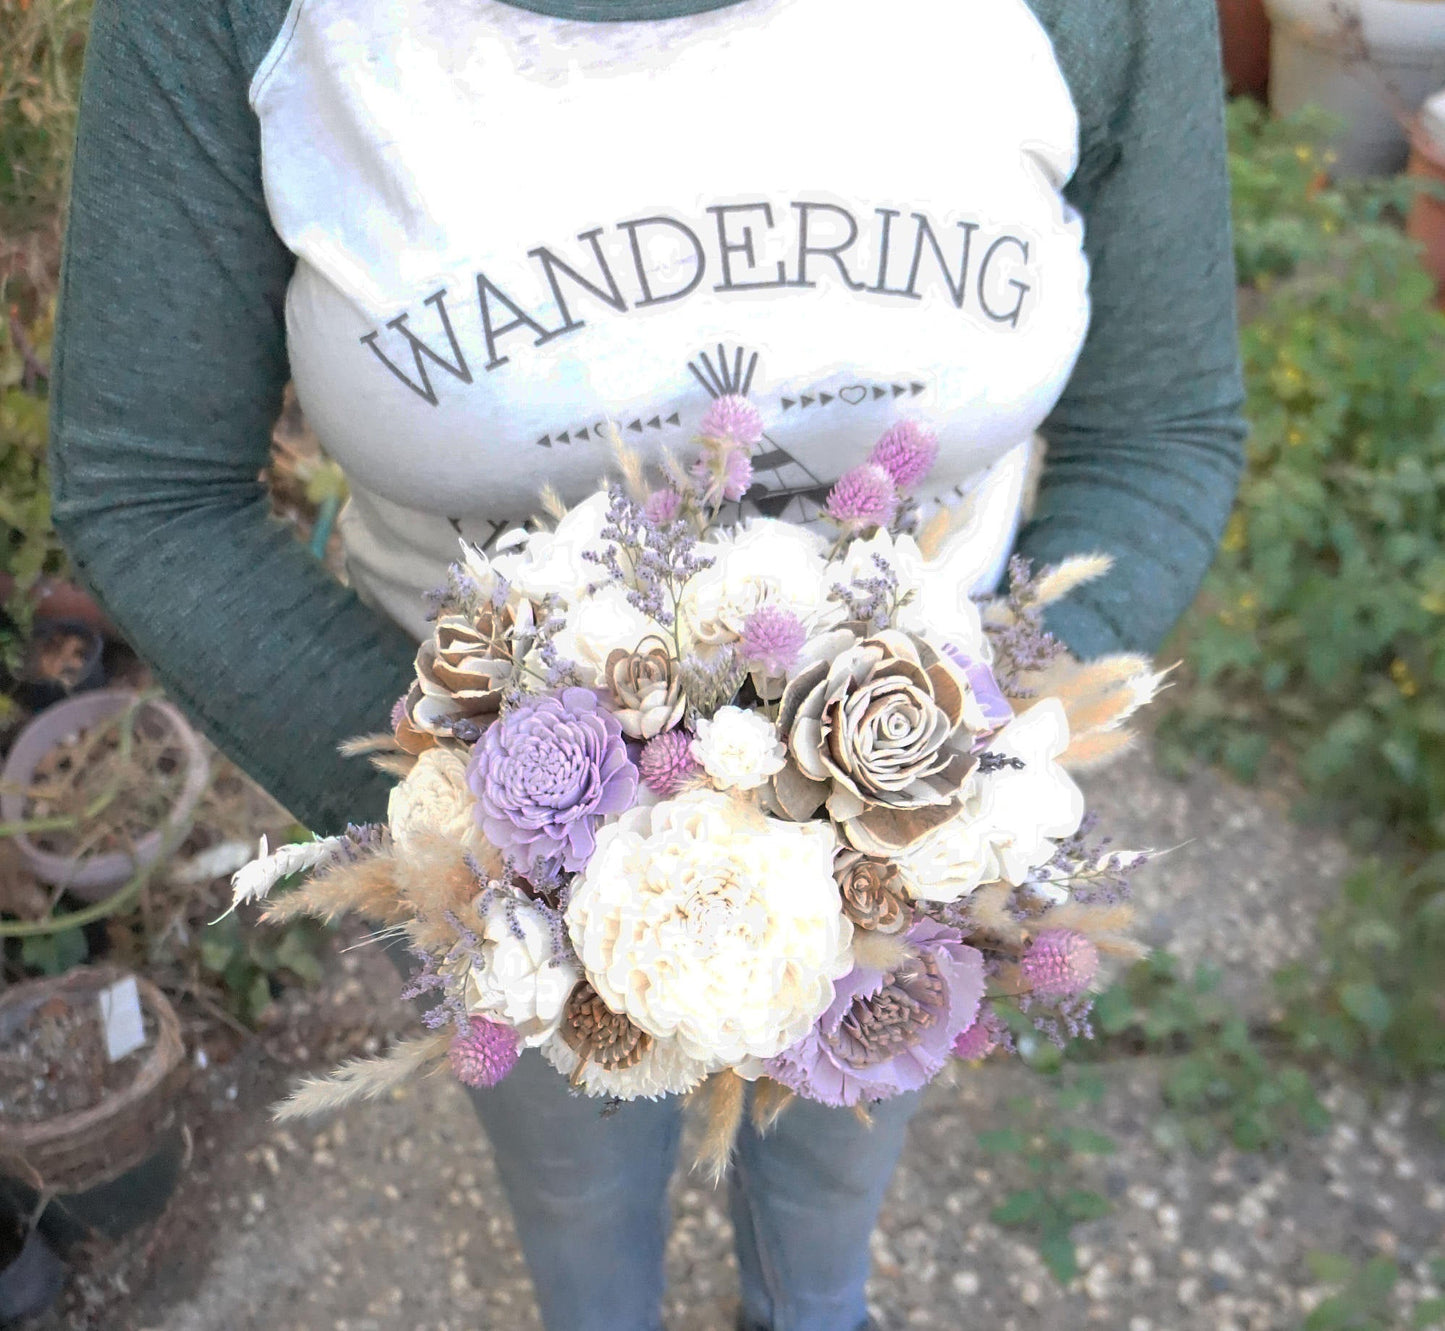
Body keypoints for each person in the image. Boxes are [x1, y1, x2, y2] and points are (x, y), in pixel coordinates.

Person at [48, 1, 1247, 1327]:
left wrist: (945, 809)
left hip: (910, 830)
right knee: (570, 1184)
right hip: (500, 839)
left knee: (838, 1157)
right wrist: (486, 845)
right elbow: (151, 491)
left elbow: (1163, 429)